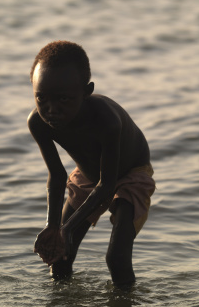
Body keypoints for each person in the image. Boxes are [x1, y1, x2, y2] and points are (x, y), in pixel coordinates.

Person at [27, 40, 156, 289]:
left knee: (116, 258)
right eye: (41, 98)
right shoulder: (38, 122)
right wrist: (53, 227)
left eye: (63, 99)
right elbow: (56, 175)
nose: (51, 109)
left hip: (129, 173)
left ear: (87, 92)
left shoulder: (106, 120)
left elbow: (108, 185)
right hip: (88, 176)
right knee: (60, 256)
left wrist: (67, 228)